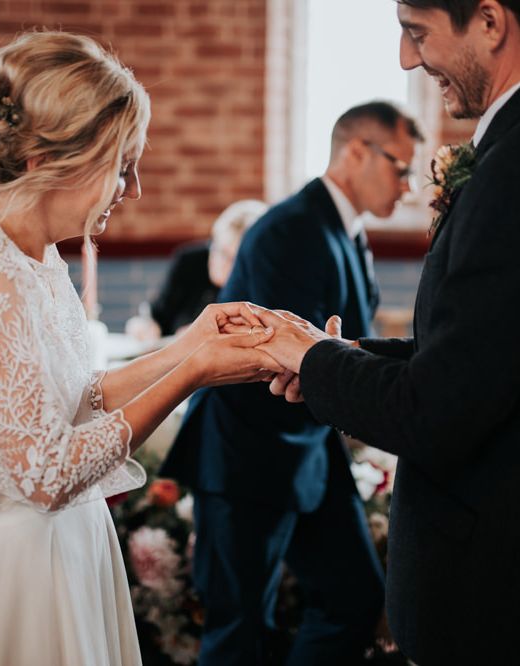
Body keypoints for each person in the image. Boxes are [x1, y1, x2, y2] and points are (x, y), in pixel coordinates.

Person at [0, 31, 280, 666]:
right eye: (121, 165)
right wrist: (193, 375)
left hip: (67, 541)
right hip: (19, 568)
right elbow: (45, 474)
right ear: (56, 160)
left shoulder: (35, 254)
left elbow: (80, 397)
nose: (131, 191)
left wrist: (193, 342)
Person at [254, 2, 520, 665]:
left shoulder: (509, 173)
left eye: (417, 31)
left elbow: (435, 410)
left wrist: (311, 360)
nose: (407, 59)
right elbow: (475, 355)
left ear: (490, 22)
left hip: (488, 593)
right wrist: (336, 354)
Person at [160, 101, 423, 665]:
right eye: (401, 167)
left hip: (307, 451)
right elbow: (284, 354)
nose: (408, 185)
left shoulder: (343, 229)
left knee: (354, 596)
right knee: (239, 628)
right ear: (356, 152)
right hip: (248, 453)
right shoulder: (292, 229)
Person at [126, 199, 268, 340]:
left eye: (234, 259)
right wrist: (144, 327)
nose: (222, 263)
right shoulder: (190, 261)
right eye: (220, 250)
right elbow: (155, 316)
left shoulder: (260, 285)